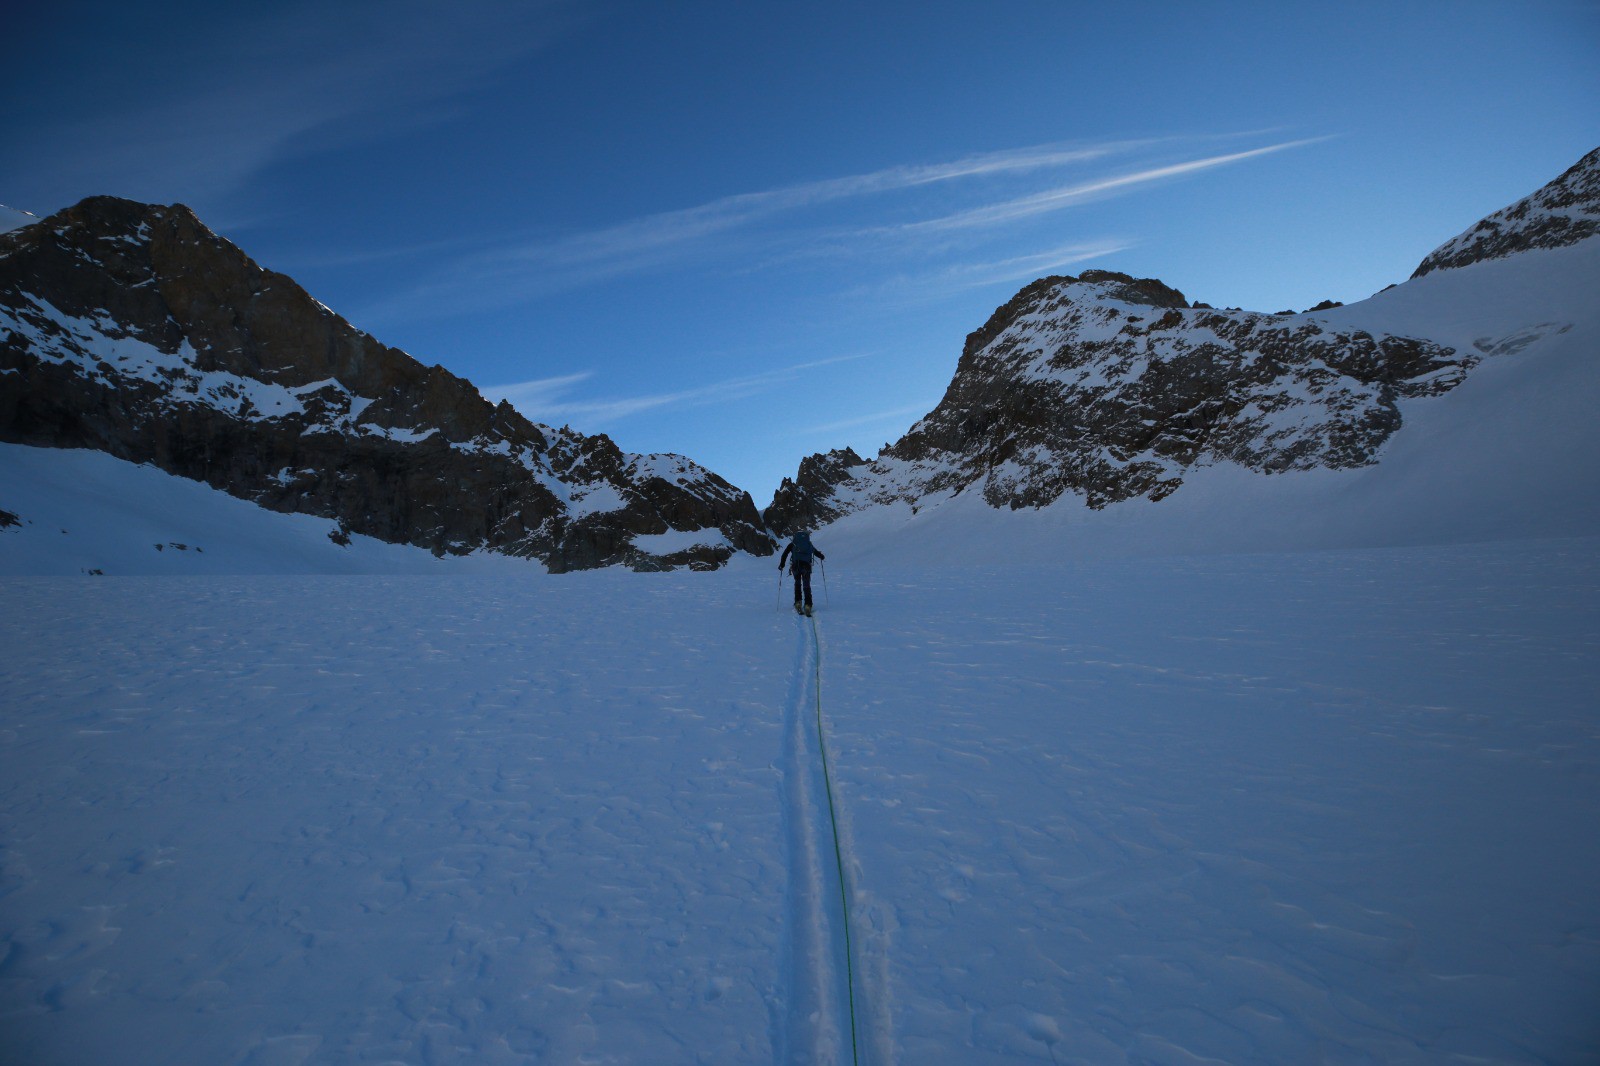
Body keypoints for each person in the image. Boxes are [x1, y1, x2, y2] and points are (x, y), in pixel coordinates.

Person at [778, 530, 825, 615]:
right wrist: (821, 556)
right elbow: (816, 552)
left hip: (796, 566)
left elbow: (785, 554)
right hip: (806, 567)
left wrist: (782, 565)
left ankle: (798, 602)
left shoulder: (793, 544)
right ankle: (808, 605)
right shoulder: (808, 544)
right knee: (806, 585)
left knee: (797, 584)